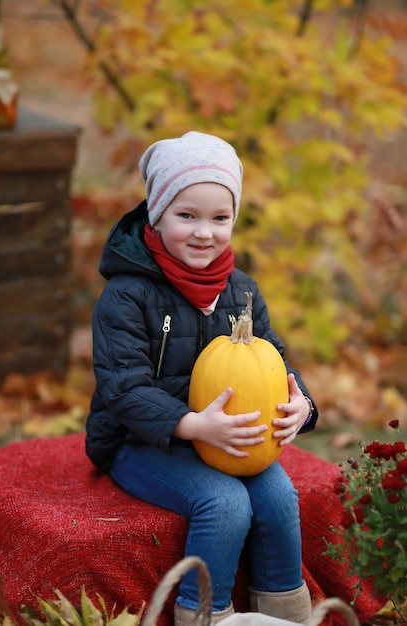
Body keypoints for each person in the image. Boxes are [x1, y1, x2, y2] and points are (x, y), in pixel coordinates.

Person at [86, 131, 318, 626]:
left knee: (279, 497)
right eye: (186, 215)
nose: (204, 232)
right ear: (157, 213)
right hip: (144, 440)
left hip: (225, 437)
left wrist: (304, 403)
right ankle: (205, 616)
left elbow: (273, 359)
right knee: (225, 501)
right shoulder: (127, 296)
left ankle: (283, 615)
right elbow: (122, 388)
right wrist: (192, 426)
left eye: (220, 217)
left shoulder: (242, 291)